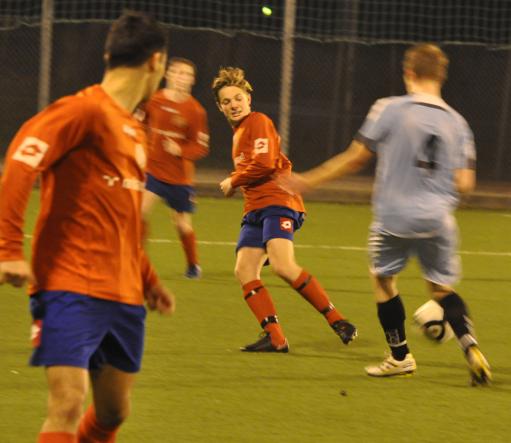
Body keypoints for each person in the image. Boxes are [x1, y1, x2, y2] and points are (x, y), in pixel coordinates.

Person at [0, 12, 175, 443]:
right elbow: (21, 161)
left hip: (124, 291)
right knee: (67, 402)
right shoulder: (84, 110)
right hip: (69, 284)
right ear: (156, 61)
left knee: (113, 411)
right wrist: (7, 249)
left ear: (108, 55)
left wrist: (148, 278)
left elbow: (123, 218)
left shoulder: (134, 129)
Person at [280, 43, 491, 385]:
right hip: (438, 219)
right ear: (441, 76)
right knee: (441, 289)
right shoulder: (458, 123)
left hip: (394, 217)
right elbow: (465, 183)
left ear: (408, 73)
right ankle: (470, 346)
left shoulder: (390, 108)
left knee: (382, 279)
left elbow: (355, 158)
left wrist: (308, 181)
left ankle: (400, 357)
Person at [211, 66, 357, 352]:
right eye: (226, 101)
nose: (234, 104)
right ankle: (275, 338)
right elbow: (254, 166)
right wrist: (238, 182)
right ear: (220, 107)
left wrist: (233, 180)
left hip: (277, 201)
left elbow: (265, 163)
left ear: (248, 98)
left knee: (282, 265)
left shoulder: (258, 121)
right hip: (255, 208)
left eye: (238, 98)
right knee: (244, 269)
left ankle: (338, 321)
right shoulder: (239, 132)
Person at [141, 57, 209, 279]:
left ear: (192, 80)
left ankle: (193, 265)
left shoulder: (196, 111)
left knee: (182, 224)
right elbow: (141, 124)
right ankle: (136, 261)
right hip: (152, 171)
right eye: (178, 72)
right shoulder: (155, 100)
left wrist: (180, 150)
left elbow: (200, 147)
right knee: (139, 213)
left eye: (187, 74)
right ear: (167, 75)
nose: (182, 78)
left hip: (179, 178)